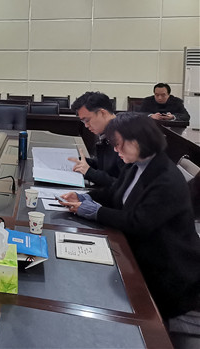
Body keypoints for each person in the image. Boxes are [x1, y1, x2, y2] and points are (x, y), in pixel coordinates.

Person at [59, 113, 200, 320]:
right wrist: (84, 196)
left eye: (119, 144)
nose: (116, 150)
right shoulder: (136, 165)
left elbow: (138, 223)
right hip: (137, 252)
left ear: (138, 141)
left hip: (167, 270)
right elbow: (114, 193)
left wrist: (95, 211)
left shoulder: (166, 179)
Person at [68, 92, 123, 187]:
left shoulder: (125, 137)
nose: (86, 125)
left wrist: (89, 172)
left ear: (102, 113)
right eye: (83, 122)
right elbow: (106, 166)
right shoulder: (107, 134)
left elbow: (125, 186)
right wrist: (83, 162)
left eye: (87, 120)